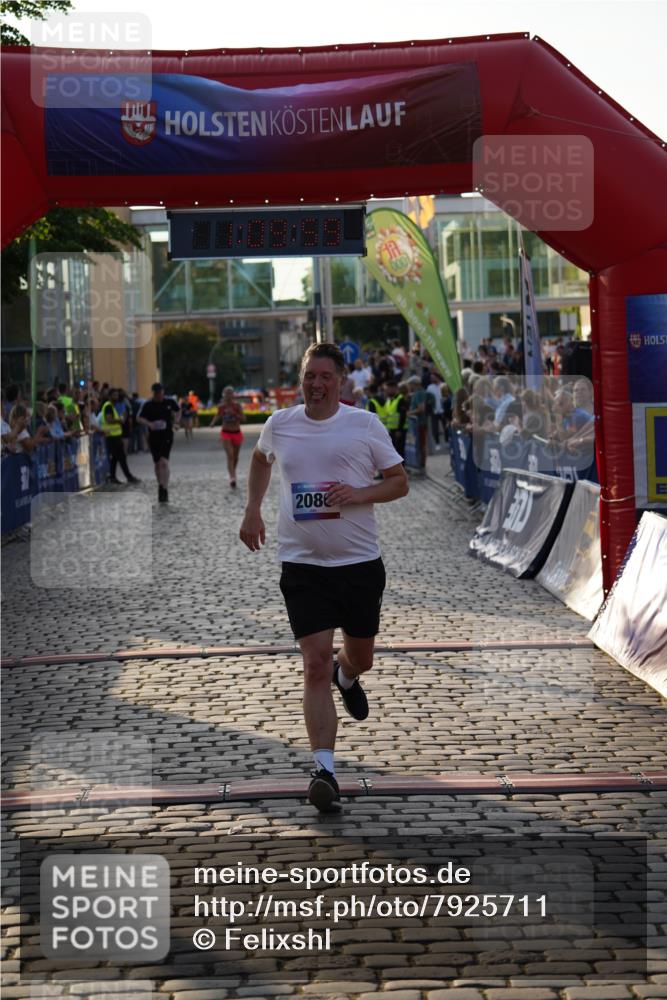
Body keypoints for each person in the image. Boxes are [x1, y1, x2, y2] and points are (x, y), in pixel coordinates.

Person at [239, 342, 408, 813]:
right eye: (309, 376)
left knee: (361, 657)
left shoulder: (364, 425)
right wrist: (252, 509)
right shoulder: (281, 424)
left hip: (358, 564)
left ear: (341, 381)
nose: (316, 384)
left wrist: (358, 493)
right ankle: (325, 770)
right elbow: (260, 459)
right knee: (312, 664)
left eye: (326, 376)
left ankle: (347, 675)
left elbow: (400, 481)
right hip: (302, 566)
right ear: (301, 379)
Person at [137, 383, 180, 502]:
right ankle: (160, 484)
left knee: (164, 462)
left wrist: (176, 422)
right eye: (156, 394)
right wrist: (149, 424)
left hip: (167, 435)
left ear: (163, 392)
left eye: (160, 393)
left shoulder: (169, 402)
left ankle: (164, 488)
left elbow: (178, 410)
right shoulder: (148, 404)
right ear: (153, 393)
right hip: (154, 437)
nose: (159, 396)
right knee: (157, 464)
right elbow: (139, 418)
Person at [100, 389, 140, 485]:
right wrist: (120, 420)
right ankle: (127, 477)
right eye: (114, 395)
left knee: (116, 458)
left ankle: (114, 477)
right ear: (109, 396)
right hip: (112, 437)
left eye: (117, 395)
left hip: (115, 436)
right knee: (121, 457)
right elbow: (109, 420)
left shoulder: (112, 406)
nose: (116, 397)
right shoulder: (108, 406)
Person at [210, 386, 245, 489]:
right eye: (226, 393)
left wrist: (234, 413)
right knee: (230, 456)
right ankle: (232, 477)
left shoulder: (237, 406)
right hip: (226, 433)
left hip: (237, 433)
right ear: (223, 395)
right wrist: (213, 422)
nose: (228, 395)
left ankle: (232, 472)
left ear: (233, 395)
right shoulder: (222, 406)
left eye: (230, 393)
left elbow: (243, 418)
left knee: (235, 457)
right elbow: (218, 415)